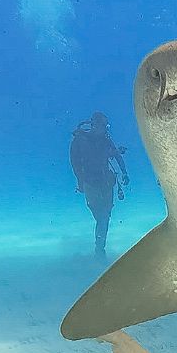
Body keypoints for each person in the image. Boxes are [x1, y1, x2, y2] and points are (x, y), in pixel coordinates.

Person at [68, 111, 129, 258]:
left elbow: (116, 155)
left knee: (105, 216)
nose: (106, 128)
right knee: (100, 216)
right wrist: (80, 181)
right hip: (90, 183)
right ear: (94, 124)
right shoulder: (80, 140)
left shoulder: (105, 139)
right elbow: (74, 163)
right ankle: (99, 247)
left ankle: (100, 249)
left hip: (106, 181)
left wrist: (124, 173)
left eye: (107, 125)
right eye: (103, 125)